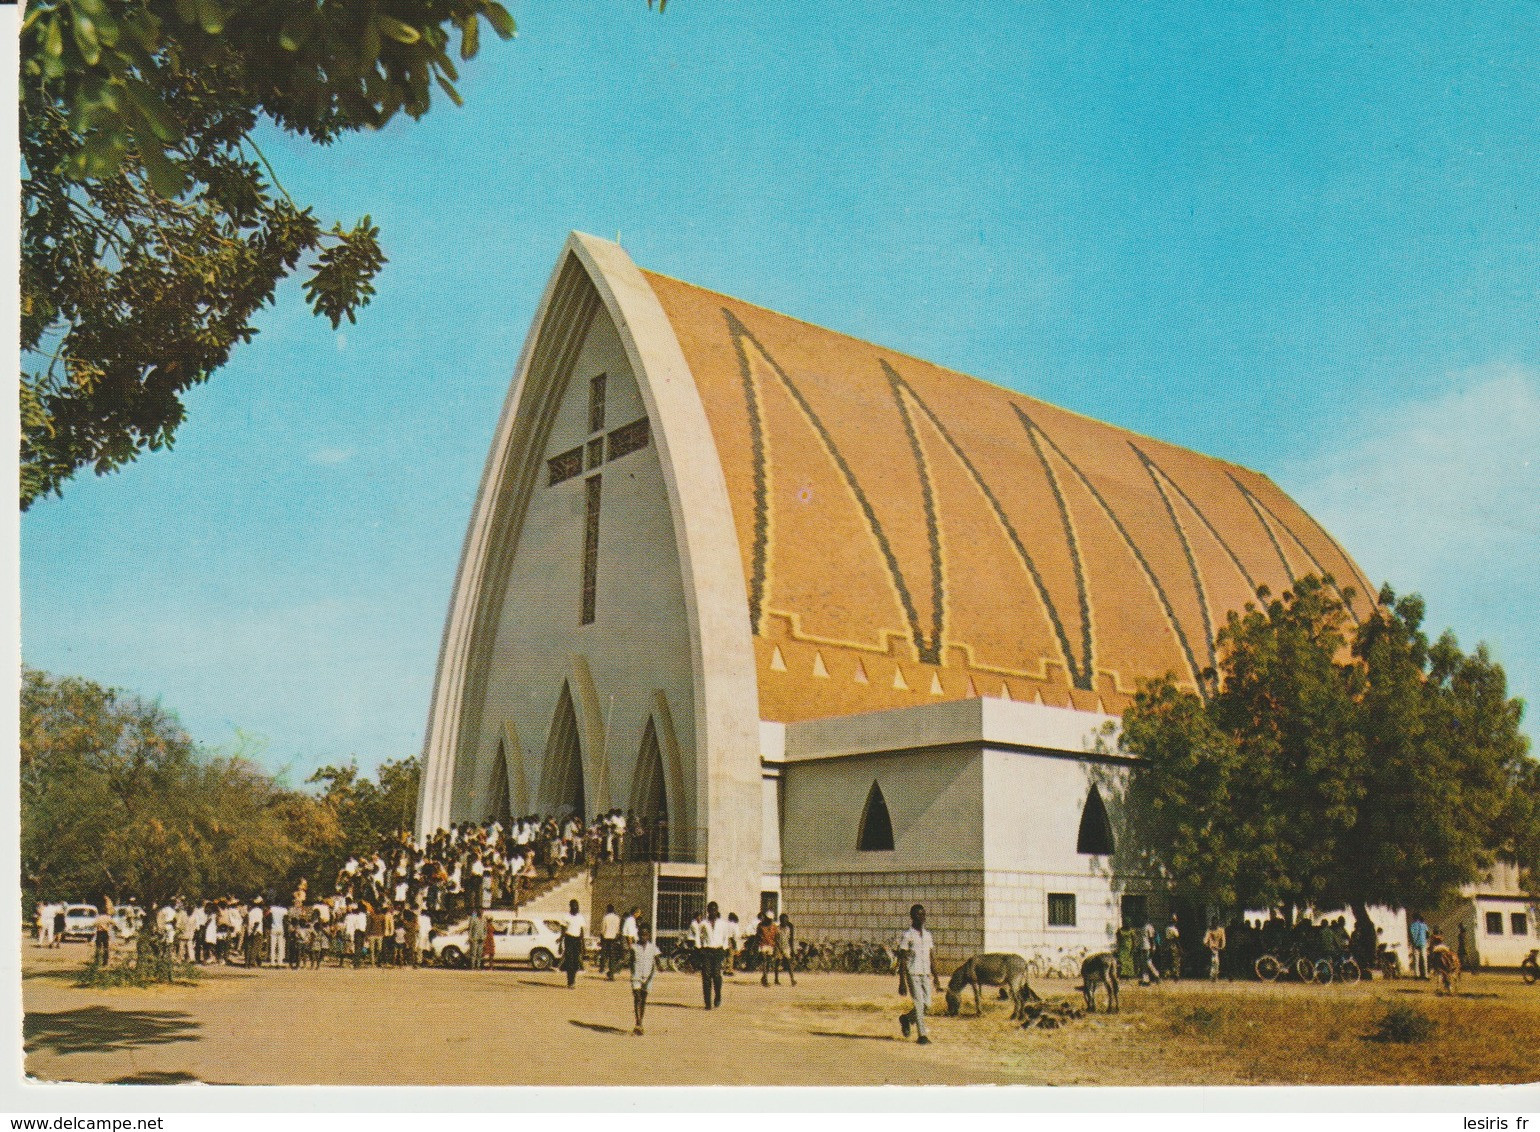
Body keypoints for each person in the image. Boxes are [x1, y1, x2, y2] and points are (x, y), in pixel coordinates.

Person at [895, 903, 937, 1045]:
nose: (922, 917)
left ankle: (907, 1019)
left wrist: (936, 977)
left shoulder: (928, 935)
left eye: (924, 914)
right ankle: (922, 1035)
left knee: (927, 1005)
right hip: (912, 974)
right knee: (919, 1004)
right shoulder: (908, 936)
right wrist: (902, 982)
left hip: (925, 974)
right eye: (919, 914)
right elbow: (902, 959)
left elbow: (931, 957)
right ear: (912, 917)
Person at [696, 901, 731, 1009]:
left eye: (715, 910)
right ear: (708, 911)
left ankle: (718, 995)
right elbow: (698, 936)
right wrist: (699, 947)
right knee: (706, 976)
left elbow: (726, 937)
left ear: (717, 910)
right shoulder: (703, 923)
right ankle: (707, 1003)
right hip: (707, 951)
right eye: (710, 910)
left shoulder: (723, 924)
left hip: (718, 951)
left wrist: (724, 949)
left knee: (716, 974)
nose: (713, 912)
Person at [629, 923, 662, 1036]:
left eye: (646, 935)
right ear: (638, 935)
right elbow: (630, 960)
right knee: (637, 997)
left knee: (643, 999)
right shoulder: (633, 947)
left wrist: (660, 966)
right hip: (636, 976)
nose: (643, 937)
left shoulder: (653, 948)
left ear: (649, 936)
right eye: (641, 935)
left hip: (648, 977)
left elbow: (657, 959)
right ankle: (638, 1023)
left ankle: (640, 1022)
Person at [561, 898, 587, 988]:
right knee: (569, 961)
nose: (576, 908)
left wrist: (583, 945)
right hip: (569, 939)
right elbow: (563, 931)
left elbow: (581, 931)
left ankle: (573, 980)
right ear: (570, 907)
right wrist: (560, 943)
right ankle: (570, 981)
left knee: (576, 962)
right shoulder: (566, 917)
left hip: (577, 940)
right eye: (574, 906)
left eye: (577, 906)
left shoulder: (580, 917)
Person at [774, 913, 798, 986]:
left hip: (786, 947)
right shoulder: (777, 928)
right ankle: (776, 979)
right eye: (783, 920)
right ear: (780, 920)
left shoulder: (788, 929)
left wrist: (792, 948)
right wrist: (778, 947)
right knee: (777, 963)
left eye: (786, 920)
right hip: (778, 947)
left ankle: (792, 979)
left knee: (788, 963)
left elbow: (790, 939)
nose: (784, 921)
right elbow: (775, 939)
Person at [756, 912, 779, 987]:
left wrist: (776, 947)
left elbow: (776, 937)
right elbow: (757, 935)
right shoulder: (760, 926)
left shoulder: (774, 926)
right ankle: (765, 979)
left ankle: (764, 976)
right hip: (763, 944)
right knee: (764, 961)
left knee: (769, 963)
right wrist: (756, 945)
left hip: (771, 945)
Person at [600, 903, 622, 980]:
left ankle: (602, 968)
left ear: (607, 909)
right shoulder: (617, 918)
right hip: (614, 938)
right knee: (612, 957)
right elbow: (618, 929)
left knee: (604, 955)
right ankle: (611, 973)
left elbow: (603, 929)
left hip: (606, 938)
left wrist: (602, 936)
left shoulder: (605, 917)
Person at [1409, 911, 1429, 980]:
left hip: (1415, 944)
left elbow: (1411, 935)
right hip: (1423, 943)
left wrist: (1413, 943)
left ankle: (1417, 975)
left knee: (1416, 960)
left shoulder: (1412, 925)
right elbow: (1427, 934)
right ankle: (1425, 975)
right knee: (1424, 959)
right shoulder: (1424, 925)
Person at [1164, 915, 1182, 980]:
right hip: (1173, 945)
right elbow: (1176, 939)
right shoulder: (1174, 929)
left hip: (1167, 945)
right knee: (1175, 960)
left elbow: (1166, 938)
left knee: (1168, 960)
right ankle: (1176, 974)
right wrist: (1180, 948)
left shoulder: (1167, 928)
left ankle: (1167, 973)